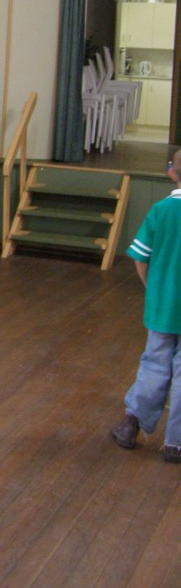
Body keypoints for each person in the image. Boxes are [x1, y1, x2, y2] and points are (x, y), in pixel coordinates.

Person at [110, 147, 181, 464]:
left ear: (171, 172)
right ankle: (176, 443)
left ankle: (131, 425)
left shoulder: (160, 210)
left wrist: (153, 289)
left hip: (162, 307)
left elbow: (141, 258)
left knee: (154, 364)